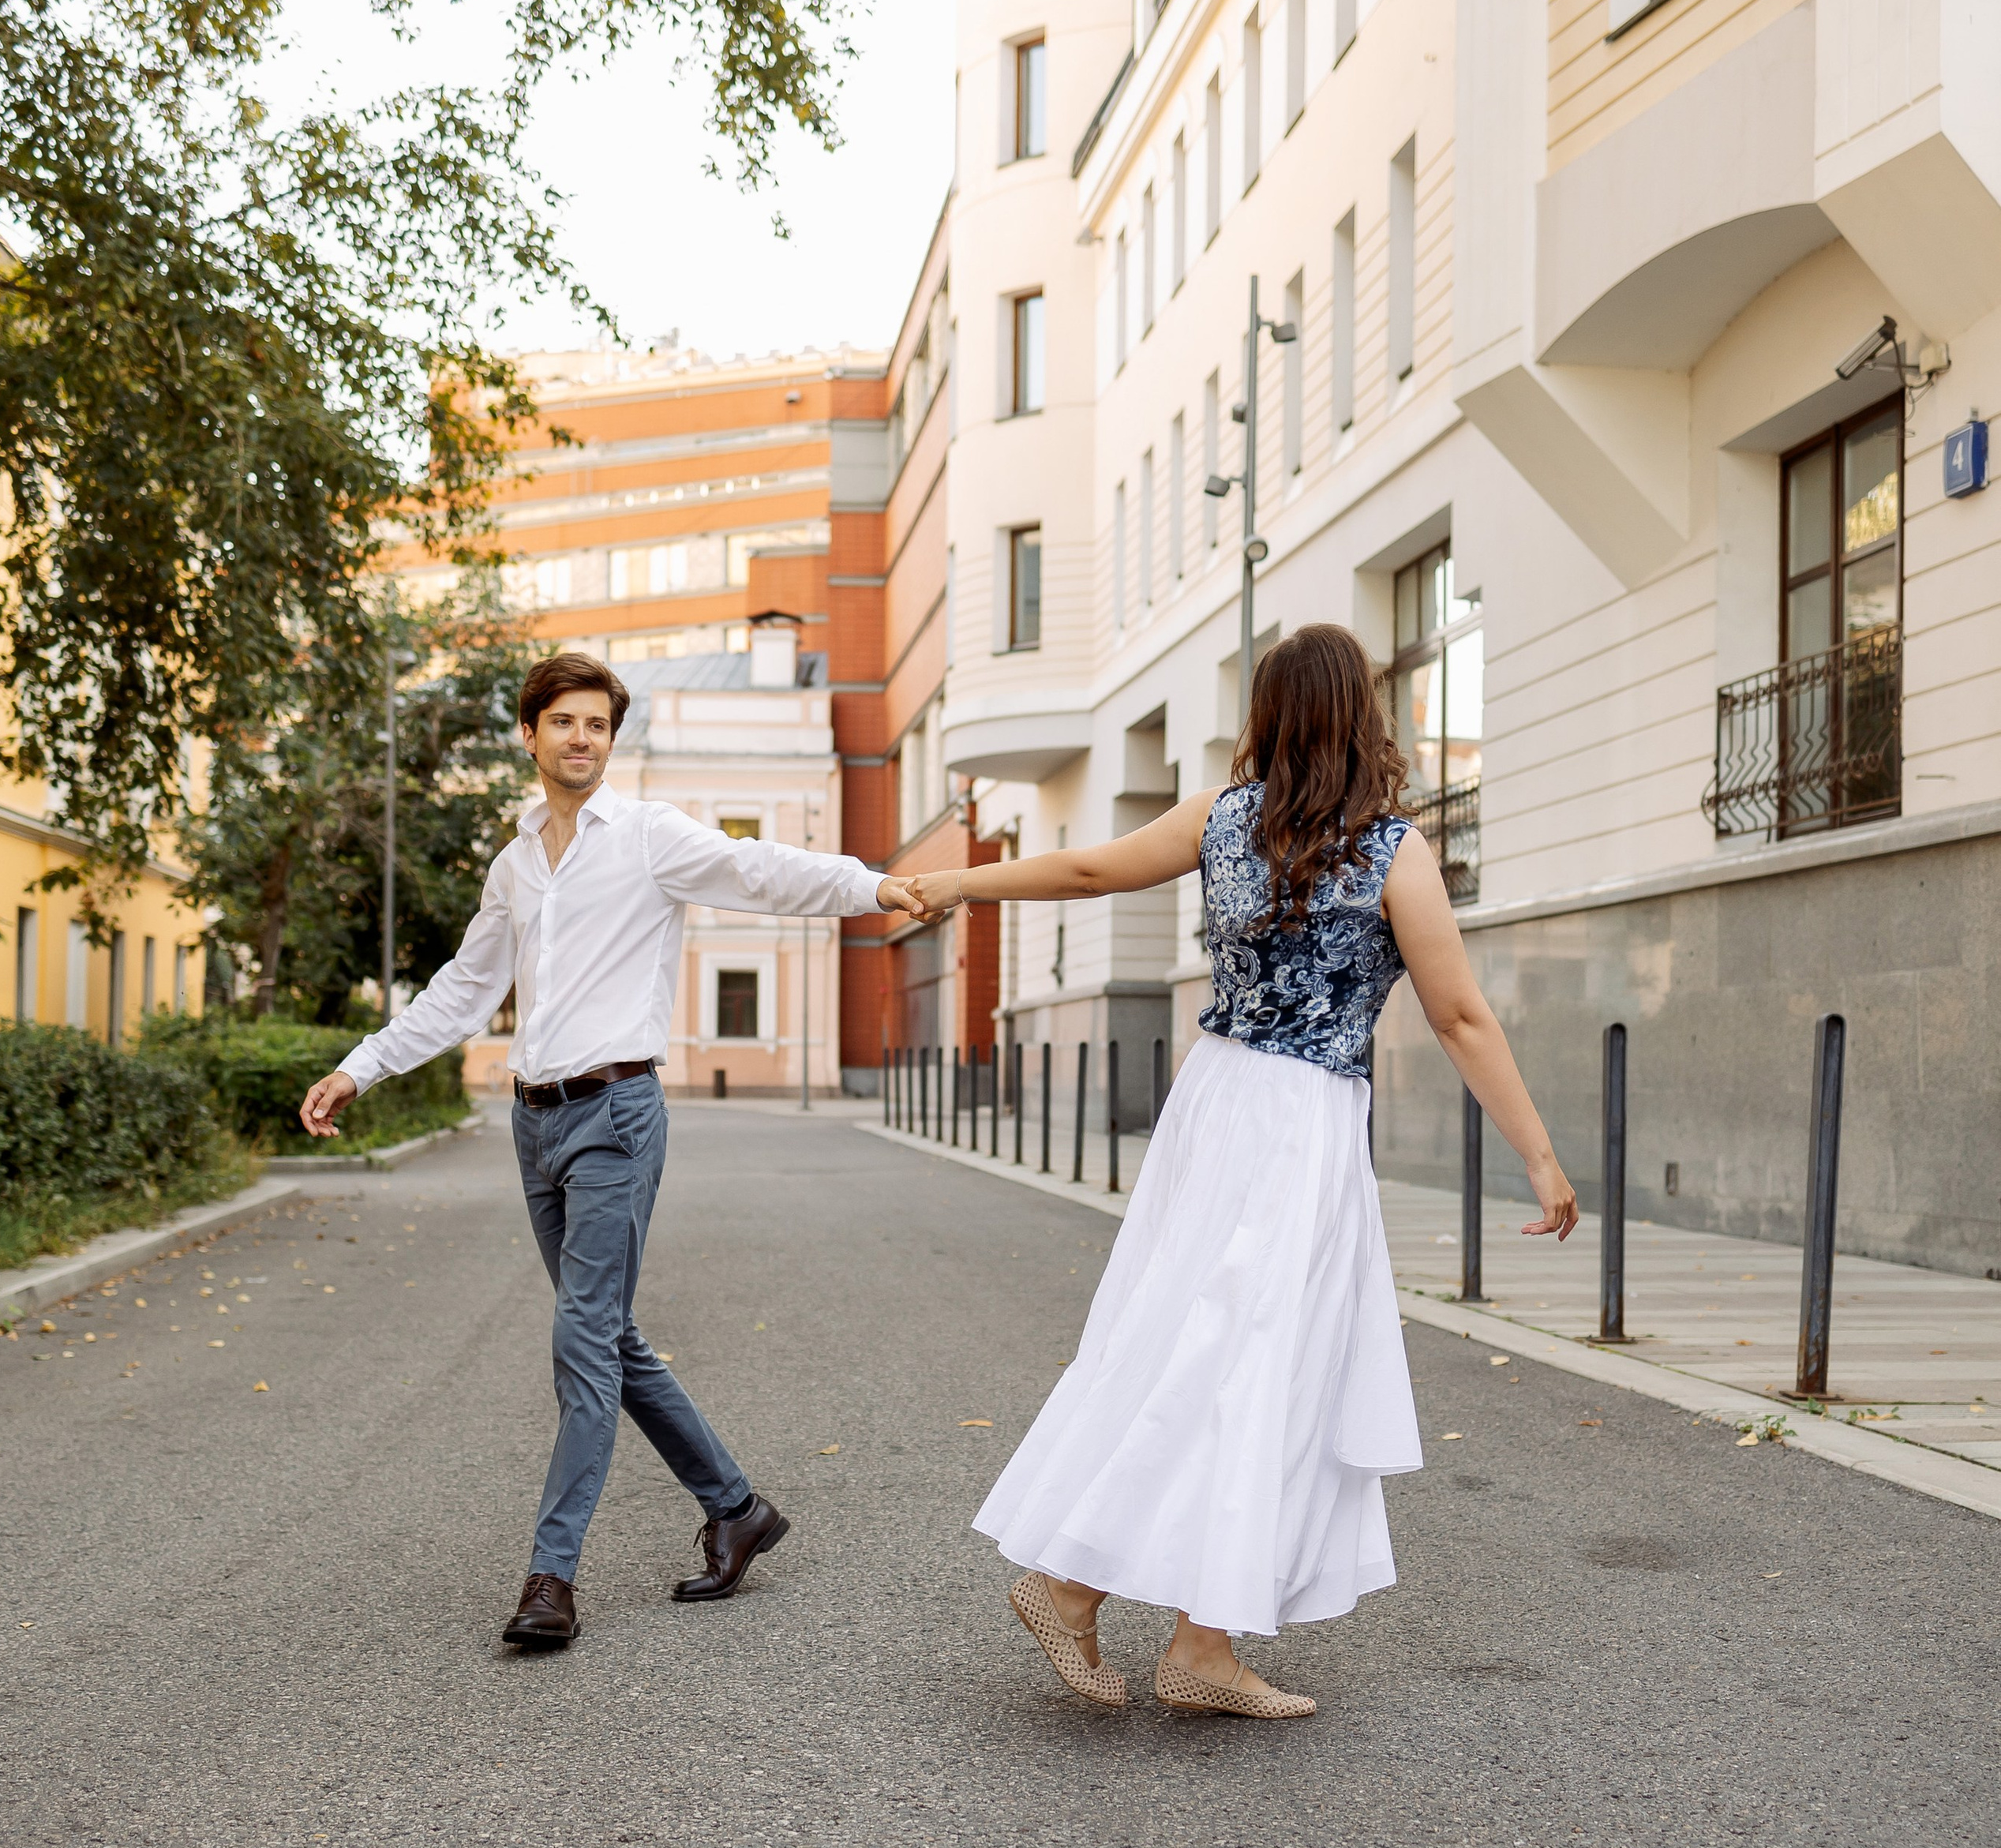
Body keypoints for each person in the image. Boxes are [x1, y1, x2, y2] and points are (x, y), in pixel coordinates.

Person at [909, 621, 1576, 1721]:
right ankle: (1079, 1589)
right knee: (1248, 1359)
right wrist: (1541, 1157)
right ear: (1362, 718)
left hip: (1215, 1100)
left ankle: (1200, 1639)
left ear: (1268, 715)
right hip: (1300, 1120)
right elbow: (1459, 1013)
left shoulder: (1222, 819)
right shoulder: (1391, 850)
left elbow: (1087, 868)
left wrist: (959, 884)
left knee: (1214, 1347)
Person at [298, 650, 928, 1649]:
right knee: (609, 1337)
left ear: (611, 738)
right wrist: (359, 1067)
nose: (582, 737)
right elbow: (464, 989)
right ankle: (737, 1510)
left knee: (582, 1343)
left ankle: (551, 1577)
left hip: (616, 1116)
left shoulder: (647, 836)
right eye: (564, 721)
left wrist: (879, 886)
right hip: (535, 1122)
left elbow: (760, 868)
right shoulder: (515, 864)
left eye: (597, 723)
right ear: (530, 734)